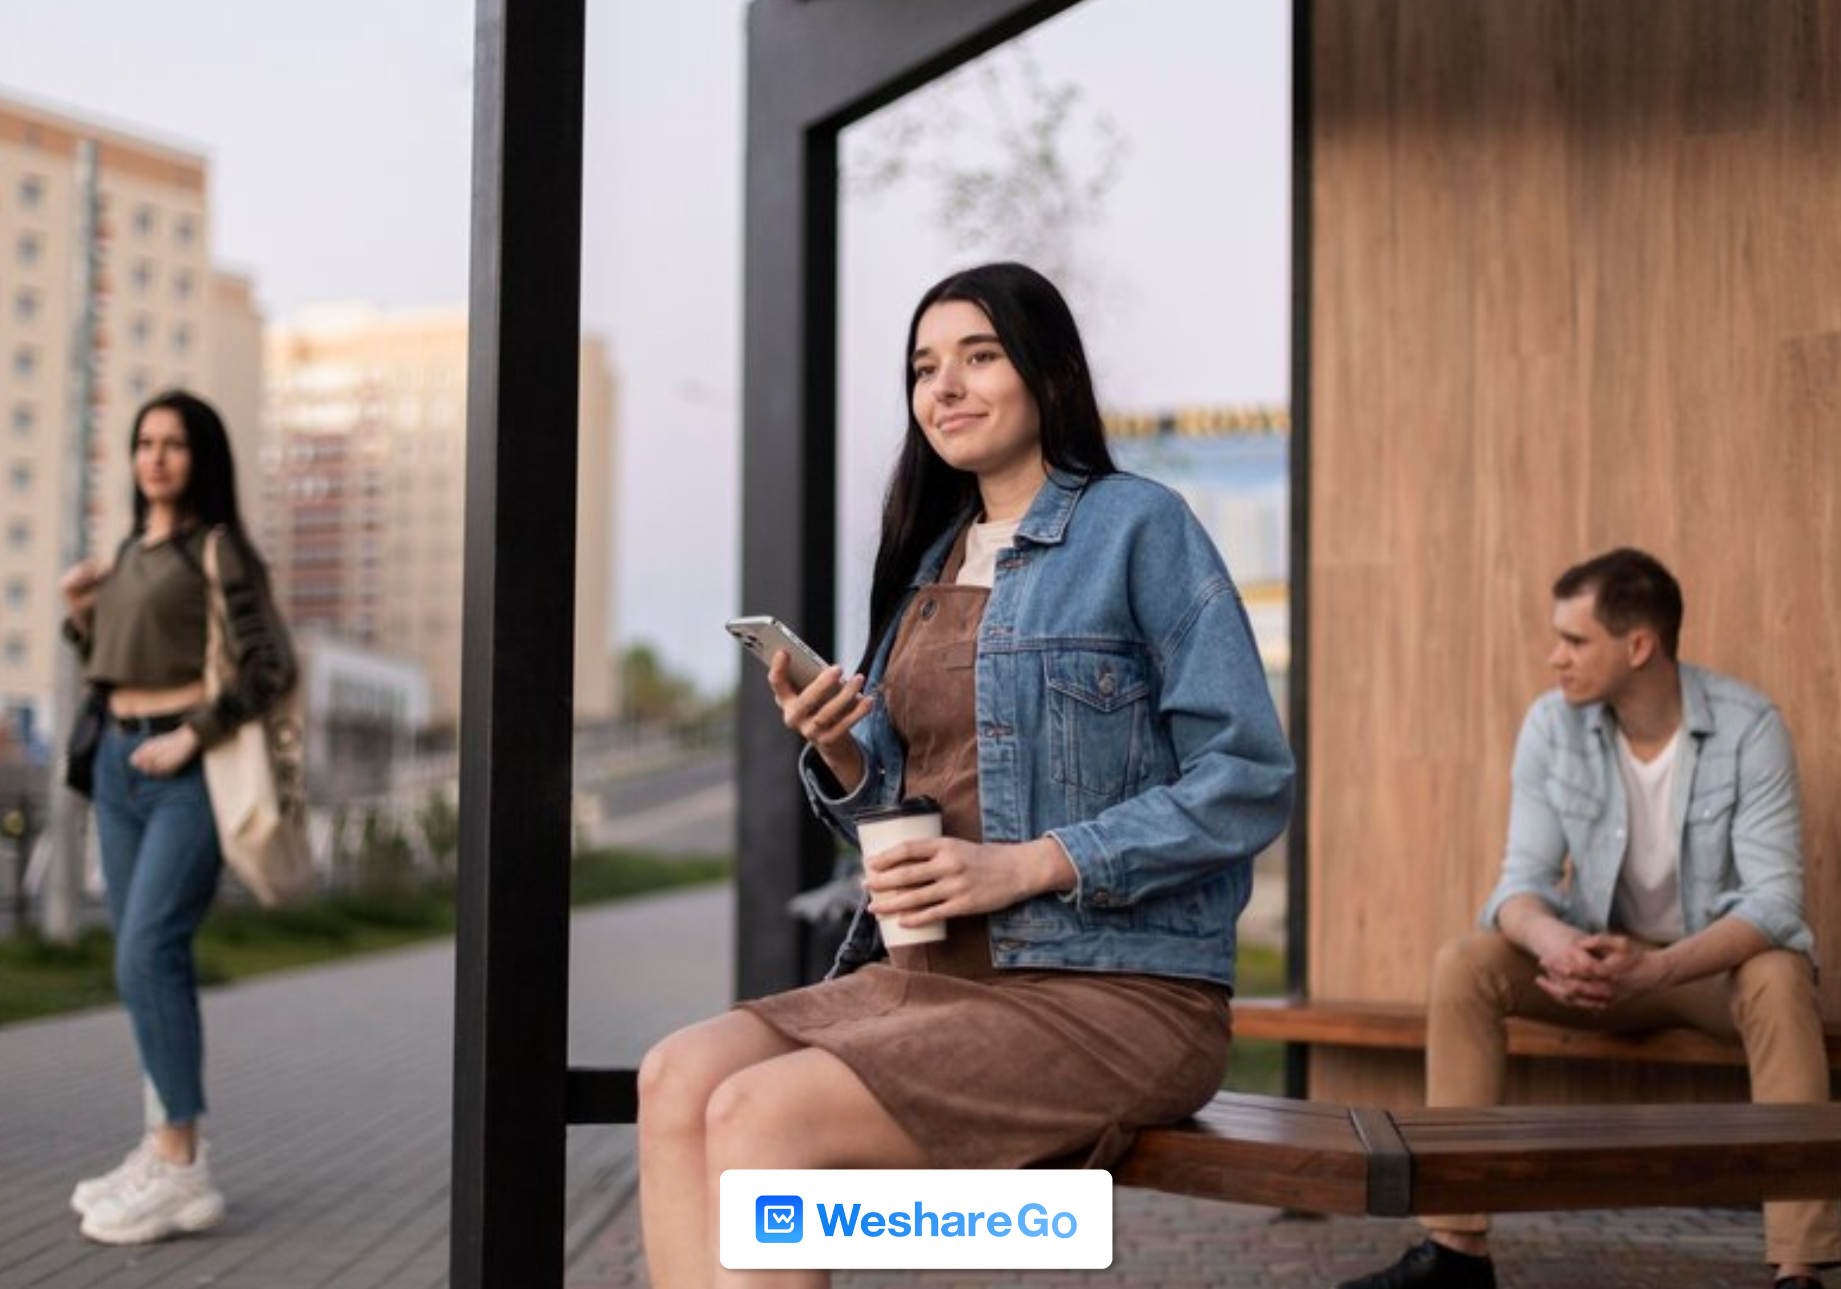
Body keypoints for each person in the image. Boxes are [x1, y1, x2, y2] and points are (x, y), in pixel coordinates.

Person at [636, 262, 1295, 1288]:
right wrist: (843, 750)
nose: (943, 386)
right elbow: (907, 807)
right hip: (935, 979)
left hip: (1114, 990)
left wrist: (1030, 864)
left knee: (760, 1117)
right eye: (923, 366)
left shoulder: (1139, 527)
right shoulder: (928, 563)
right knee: (676, 1076)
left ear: (1047, 374)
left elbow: (1248, 776)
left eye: (977, 356)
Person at [1341, 548, 1839, 1289]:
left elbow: (1773, 902)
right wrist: (1558, 943)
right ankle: (1455, 1251)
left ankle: (1798, 1269)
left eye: (1573, 641)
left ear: (1637, 645)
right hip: (1598, 961)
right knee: (1467, 962)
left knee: (1777, 973)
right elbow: (1519, 884)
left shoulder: (1748, 726)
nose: (1554, 658)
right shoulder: (1552, 725)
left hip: (1702, 969)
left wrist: (1659, 967)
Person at [58, 390, 296, 1246]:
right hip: (120, 770)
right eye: (144, 442)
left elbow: (271, 664)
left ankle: (183, 1162)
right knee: (146, 963)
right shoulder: (128, 551)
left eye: (175, 443)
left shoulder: (216, 547)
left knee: (144, 951)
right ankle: (162, 1150)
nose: (156, 457)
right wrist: (83, 614)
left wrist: (190, 737)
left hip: (182, 774)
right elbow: (115, 664)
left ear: (202, 457)